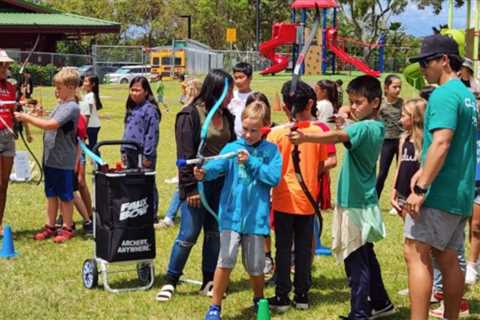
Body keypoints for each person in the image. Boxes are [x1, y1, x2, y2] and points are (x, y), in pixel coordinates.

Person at [289, 75, 395, 319]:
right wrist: (344, 121)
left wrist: (305, 137)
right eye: (352, 101)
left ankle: (359, 312)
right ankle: (381, 303)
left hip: (356, 204)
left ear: (376, 102)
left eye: (359, 102)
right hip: (361, 201)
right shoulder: (374, 126)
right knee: (366, 255)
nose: (354, 106)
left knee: (355, 260)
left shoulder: (364, 127)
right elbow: (347, 132)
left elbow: (338, 137)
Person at [404, 34, 477, 320]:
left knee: (416, 251)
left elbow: (443, 142)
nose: (422, 68)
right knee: (447, 257)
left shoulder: (445, 94)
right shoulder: (466, 95)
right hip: (460, 192)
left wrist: (421, 188)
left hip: (440, 193)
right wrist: (423, 168)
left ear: (444, 60)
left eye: (426, 61)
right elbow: (456, 144)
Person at [156, 69, 235, 302]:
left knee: (214, 234)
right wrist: (189, 188)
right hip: (197, 186)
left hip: (220, 185)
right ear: (217, 90)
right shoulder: (190, 115)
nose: (232, 95)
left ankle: (209, 281)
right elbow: (185, 155)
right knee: (188, 233)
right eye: (228, 91)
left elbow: (231, 148)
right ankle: (170, 280)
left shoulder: (228, 116)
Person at [199, 100, 282, 320]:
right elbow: (217, 166)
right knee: (225, 260)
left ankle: (258, 298)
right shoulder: (232, 148)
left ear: (265, 126)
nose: (247, 134)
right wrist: (204, 172)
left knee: (255, 266)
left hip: (256, 218)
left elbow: (273, 178)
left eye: (254, 130)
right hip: (230, 216)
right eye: (245, 129)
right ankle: (215, 307)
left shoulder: (271, 151)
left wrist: (251, 163)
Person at [266, 80, 328, 312]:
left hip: (284, 201)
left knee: (283, 249)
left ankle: (282, 296)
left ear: (284, 106)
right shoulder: (317, 132)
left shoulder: (275, 134)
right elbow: (322, 164)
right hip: (306, 200)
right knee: (303, 249)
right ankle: (302, 295)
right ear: (309, 104)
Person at [14, 67, 80, 243]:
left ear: (72, 87)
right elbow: (47, 118)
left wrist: (26, 118)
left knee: (65, 196)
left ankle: (67, 227)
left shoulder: (72, 107)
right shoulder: (61, 105)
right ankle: (50, 226)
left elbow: (50, 125)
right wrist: (33, 112)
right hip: (51, 159)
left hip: (63, 160)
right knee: (51, 194)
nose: (56, 91)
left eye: (59, 88)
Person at [391, 98, 426, 216]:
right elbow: (399, 165)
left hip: (417, 193)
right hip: (402, 191)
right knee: (407, 229)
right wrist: (394, 191)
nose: (400, 120)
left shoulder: (426, 140)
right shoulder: (403, 138)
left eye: (403, 116)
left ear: (414, 117)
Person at [376, 74, 403, 199]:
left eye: (399, 87)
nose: (398, 90)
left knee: (402, 171)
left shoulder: (402, 103)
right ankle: (375, 198)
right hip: (386, 141)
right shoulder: (380, 103)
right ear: (386, 88)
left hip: (401, 141)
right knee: (382, 172)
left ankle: (399, 198)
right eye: (395, 87)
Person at [0, 49, 17, 237]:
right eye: (1, 64)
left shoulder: (11, 86)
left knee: (3, 184)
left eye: (6, 64)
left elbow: (14, 111)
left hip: (8, 136)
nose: (5, 68)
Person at [227, 62, 253, 137]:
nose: (238, 81)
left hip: (249, 137)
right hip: (232, 138)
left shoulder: (255, 97)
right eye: (235, 78)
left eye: (241, 77)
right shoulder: (230, 96)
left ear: (250, 78)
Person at [83, 75, 102, 150]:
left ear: (93, 84)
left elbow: (88, 113)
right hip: (91, 125)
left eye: (86, 81)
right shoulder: (88, 95)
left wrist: (84, 128)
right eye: (84, 81)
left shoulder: (90, 96)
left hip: (91, 126)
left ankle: (99, 162)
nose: (84, 83)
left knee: (93, 148)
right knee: (91, 147)